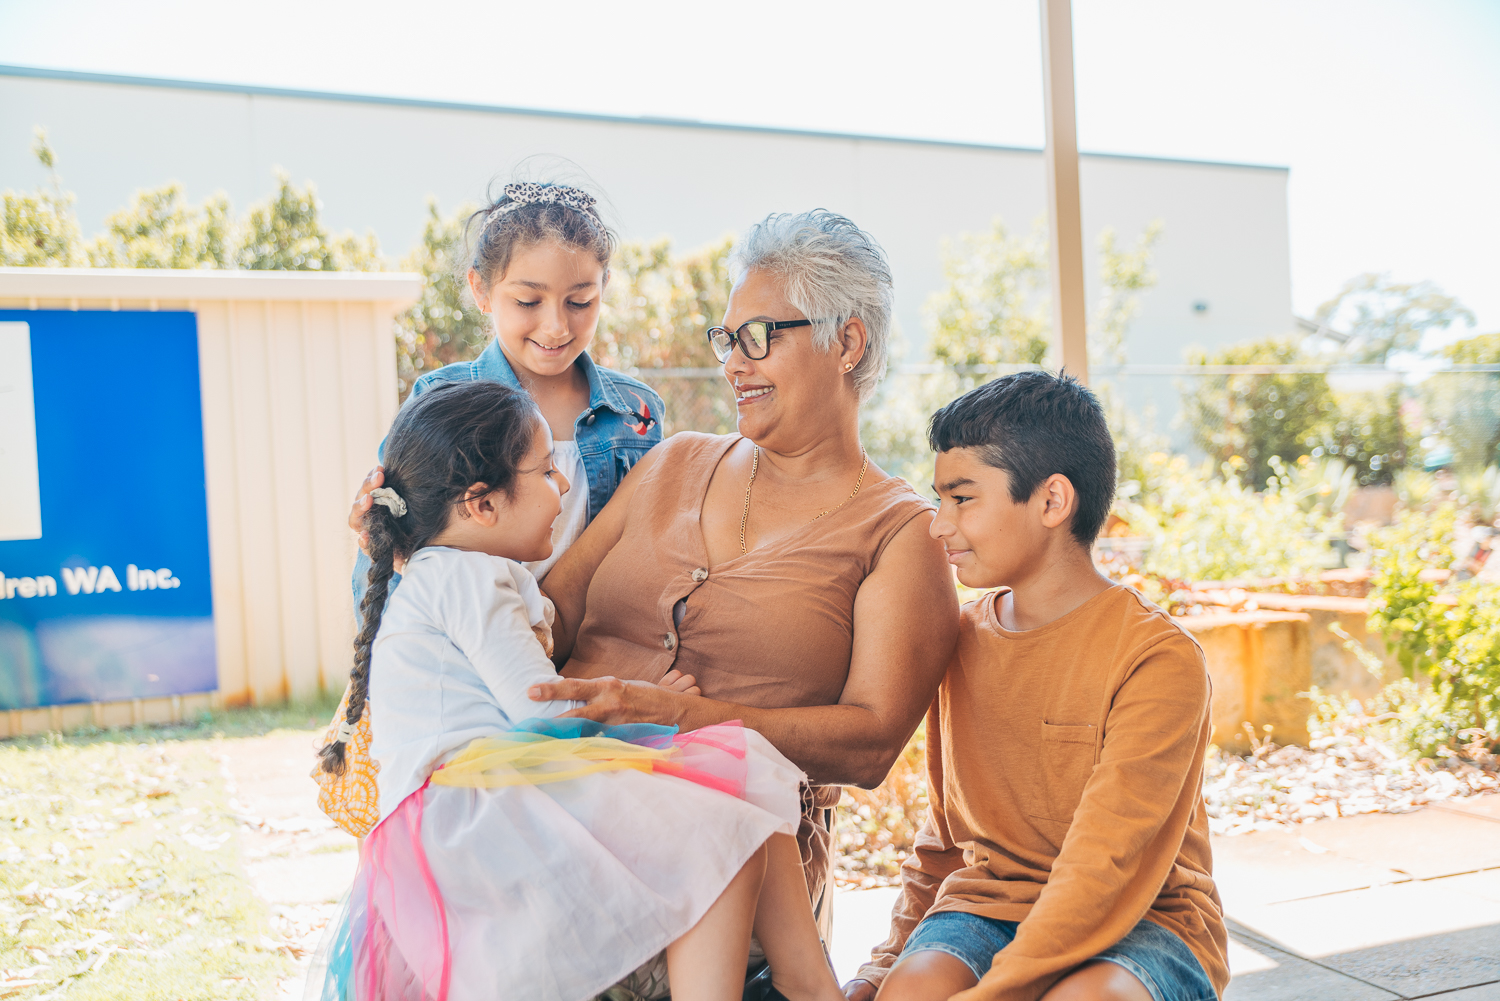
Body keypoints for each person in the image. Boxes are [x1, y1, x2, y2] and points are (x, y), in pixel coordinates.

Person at [311, 380, 842, 1001]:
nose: (562, 487)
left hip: (463, 808)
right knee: (721, 816)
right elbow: (540, 710)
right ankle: (792, 983)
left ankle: (806, 982)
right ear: (480, 504)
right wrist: (641, 701)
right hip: (476, 811)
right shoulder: (466, 577)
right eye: (544, 472)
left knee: (739, 777)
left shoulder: (441, 573)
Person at [529, 210, 960, 937]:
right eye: (727, 339)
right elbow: (552, 610)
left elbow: (871, 741)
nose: (732, 363)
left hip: (737, 879)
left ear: (846, 342)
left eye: (758, 337)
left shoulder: (899, 534)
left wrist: (689, 720)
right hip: (557, 815)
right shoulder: (673, 461)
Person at [844, 372, 1229, 1001]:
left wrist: (995, 994)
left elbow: (1105, 866)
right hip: (988, 906)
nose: (939, 526)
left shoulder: (1158, 659)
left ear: (1052, 502)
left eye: (962, 499)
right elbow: (942, 842)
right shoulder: (961, 639)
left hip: (1148, 919)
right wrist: (880, 970)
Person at [349, 179, 665, 587]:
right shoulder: (442, 399)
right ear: (481, 290)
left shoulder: (637, 411)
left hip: (603, 646)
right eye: (528, 302)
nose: (555, 327)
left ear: (604, 288)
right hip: (474, 643)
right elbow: (389, 574)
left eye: (580, 302)